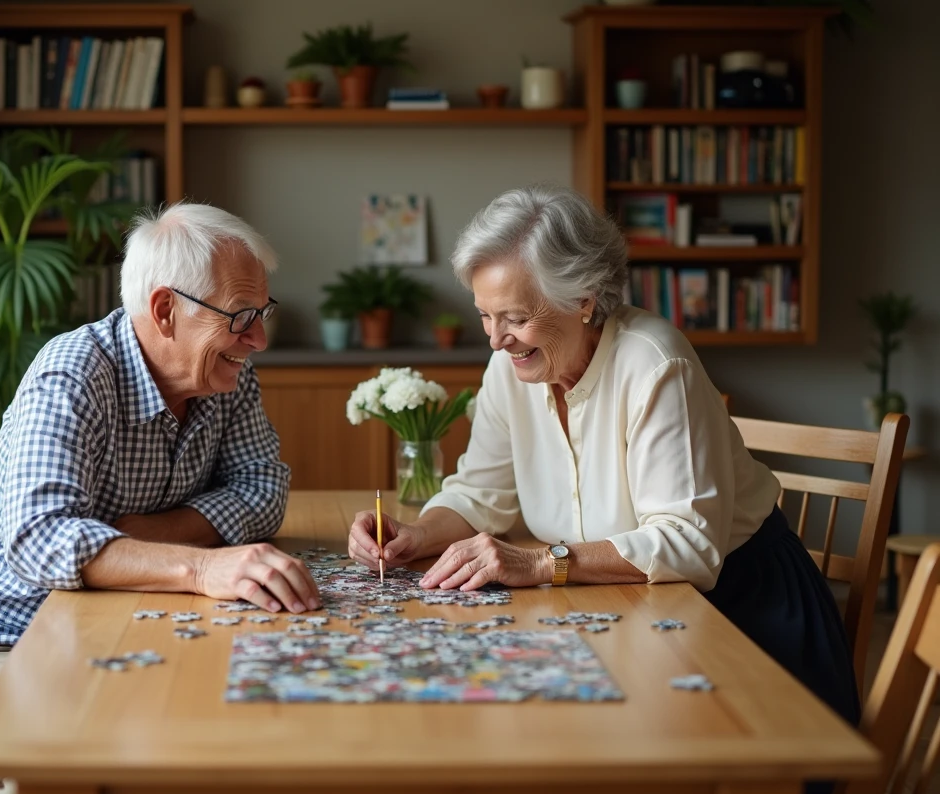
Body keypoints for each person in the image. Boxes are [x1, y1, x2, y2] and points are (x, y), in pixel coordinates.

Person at [347, 184, 860, 743]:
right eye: (485, 316)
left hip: (741, 613)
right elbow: (479, 494)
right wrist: (414, 536)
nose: (496, 340)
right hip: (618, 610)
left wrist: (540, 563)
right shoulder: (512, 369)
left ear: (584, 299)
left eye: (514, 317)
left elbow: (688, 545)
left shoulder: (655, 364)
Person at [0, 203, 319, 794]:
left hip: (118, 631)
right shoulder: (73, 374)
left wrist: (138, 535)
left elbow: (263, 490)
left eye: (263, 312)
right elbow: (40, 541)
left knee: (239, 739)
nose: (258, 338)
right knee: (54, 763)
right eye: (242, 315)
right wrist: (203, 565)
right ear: (164, 311)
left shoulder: (225, 372)